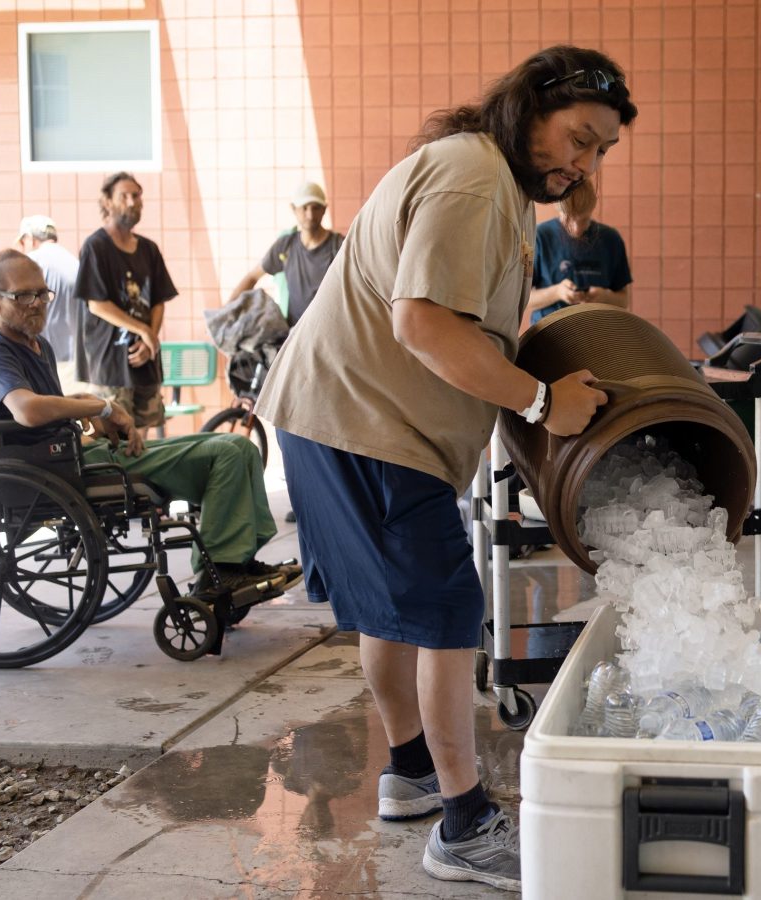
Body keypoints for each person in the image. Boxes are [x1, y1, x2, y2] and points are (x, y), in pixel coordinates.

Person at [254, 45, 637, 891]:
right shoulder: (473, 178)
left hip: (342, 416)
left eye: (602, 151)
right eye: (579, 139)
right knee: (446, 613)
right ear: (528, 108)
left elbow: (467, 324)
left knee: (396, 616)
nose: (584, 166)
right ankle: (464, 823)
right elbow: (423, 323)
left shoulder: (483, 176)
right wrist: (541, 403)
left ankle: (412, 772)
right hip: (370, 424)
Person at [0, 249, 299, 597]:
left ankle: (238, 562)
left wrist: (92, 411)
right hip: (69, 465)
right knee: (226, 454)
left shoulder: (37, 346)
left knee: (241, 447)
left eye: (41, 293)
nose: (37, 303)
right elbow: (27, 411)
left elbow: (49, 405)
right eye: (23, 295)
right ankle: (219, 572)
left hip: (81, 451)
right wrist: (103, 407)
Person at [75, 172, 176, 438]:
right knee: (112, 435)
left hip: (145, 361)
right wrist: (143, 330)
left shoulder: (149, 250)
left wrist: (149, 337)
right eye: (125, 196)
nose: (133, 202)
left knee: (141, 436)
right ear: (107, 202)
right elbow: (97, 304)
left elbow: (158, 301)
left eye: (137, 195)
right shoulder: (96, 247)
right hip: (110, 364)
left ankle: (141, 481)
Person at [228, 181, 345, 327]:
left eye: (316, 208)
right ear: (294, 209)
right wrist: (224, 314)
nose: (310, 214)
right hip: (295, 335)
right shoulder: (286, 246)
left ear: (324, 209)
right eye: (304, 208)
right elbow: (252, 277)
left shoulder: (340, 246)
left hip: (329, 333)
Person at [527, 176, 631, 324]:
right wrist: (557, 292)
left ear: (591, 209)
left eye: (583, 220)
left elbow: (623, 300)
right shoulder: (540, 237)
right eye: (569, 220)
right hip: (550, 333)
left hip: (599, 332)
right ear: (558, 209)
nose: (576, 229)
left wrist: (605, 297)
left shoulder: (610, 239)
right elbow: (522, 300)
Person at [15, 215, 84, 393]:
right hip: (79, 362)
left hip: (43, 362)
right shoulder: (75, 264)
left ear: (29, 238)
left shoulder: (30, 263)